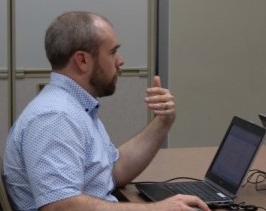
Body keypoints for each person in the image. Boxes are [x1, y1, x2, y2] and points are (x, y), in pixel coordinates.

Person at [4, 11, 210, 211]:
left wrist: (163, 122)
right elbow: (60, 205)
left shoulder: (75, 106)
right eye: (112, 52)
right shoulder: (55, 117)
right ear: (82, 60)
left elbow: (114, 170)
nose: (120, 61)